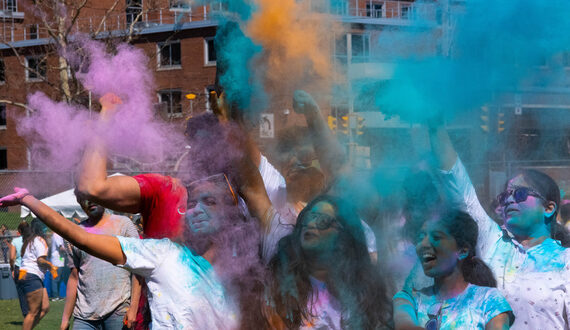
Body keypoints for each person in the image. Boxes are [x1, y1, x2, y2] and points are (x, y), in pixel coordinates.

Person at [0, 177, 266, 329]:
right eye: (192, 203)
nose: (197, 209)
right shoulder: (164, 254)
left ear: (234, 213)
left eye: (210, 202)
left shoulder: (248, 274)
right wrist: (29, 201)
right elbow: (81, 237)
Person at [425, 123, 570, 328]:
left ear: (548, 208)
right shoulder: (493, 242)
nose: (510, 200)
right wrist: (434, 123)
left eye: (519, 193)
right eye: (505, 195)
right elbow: (458, 187)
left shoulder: (565, 261)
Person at [266, 195, 392, 329]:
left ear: (343, 234)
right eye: (309, 217)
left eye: (323, 221)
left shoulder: (363, 291)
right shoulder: (280, 277)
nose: (310, 224)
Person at [393, 210, 514, 329]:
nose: (423, 245)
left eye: (436, 237)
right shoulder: (410, 299)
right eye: (420, 238)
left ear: (462, 252)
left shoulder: (489, 301)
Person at [61, 195, 142, 330]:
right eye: (83, 198)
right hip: (84, 316)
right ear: (79, 202)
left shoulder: (123, 224)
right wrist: (65, 319)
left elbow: (138, 268)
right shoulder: (75, 234)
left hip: (118, 310)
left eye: (93, 196)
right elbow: (74, 276)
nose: (90, 201)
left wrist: (133, 308)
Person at [17, 221, 56, 330]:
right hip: (31, 276)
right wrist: (50, 265)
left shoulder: (29, 241)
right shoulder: (39, 240)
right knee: (33, 312)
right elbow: (40, 260)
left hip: (26, 275)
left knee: (45, 307)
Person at [10, 223, 29, 317]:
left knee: (21, 292)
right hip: (30, 268)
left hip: (19, 268)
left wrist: (12, 269)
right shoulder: (31, 240)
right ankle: (33, 313)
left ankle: (26, 314)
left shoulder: (15, 241)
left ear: (19, 231)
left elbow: (11, 257)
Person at [49, 232, 67, 301]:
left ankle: (58, 296)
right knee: (55, 279)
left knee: (58, 279)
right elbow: (61, 248)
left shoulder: (59, 235)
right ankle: (55, 296)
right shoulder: (57, 235)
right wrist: (69, 250)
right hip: (56, 262)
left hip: (59, 261)